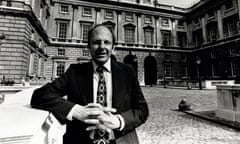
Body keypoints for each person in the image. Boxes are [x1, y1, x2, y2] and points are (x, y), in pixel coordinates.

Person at [31, 24, 149, 144]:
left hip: (121, 140)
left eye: (107, 42)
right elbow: (40, 95)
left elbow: (142, 110)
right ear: (88, 46)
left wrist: (119, 121)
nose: (102, 47)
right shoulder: (75, 72)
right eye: (96, 42)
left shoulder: (127, 72)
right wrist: (76, 111)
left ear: (113, 48)